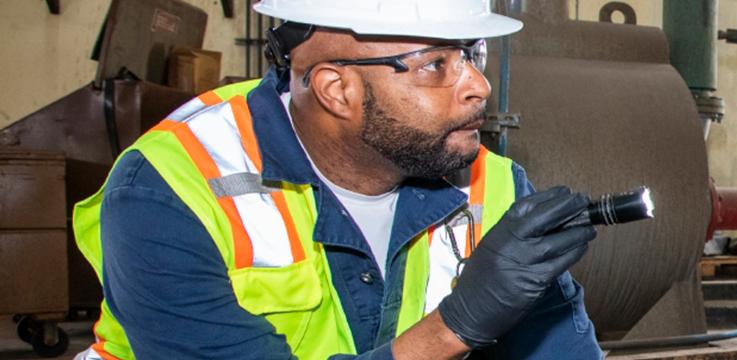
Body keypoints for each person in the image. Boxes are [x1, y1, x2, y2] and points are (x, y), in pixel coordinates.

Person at [69, 0, 603, 358]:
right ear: (335, 88)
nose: (479, 87)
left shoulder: (495, 186)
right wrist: (454, 327)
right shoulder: (170, 188)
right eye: (436, 64)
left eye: (472, 55)